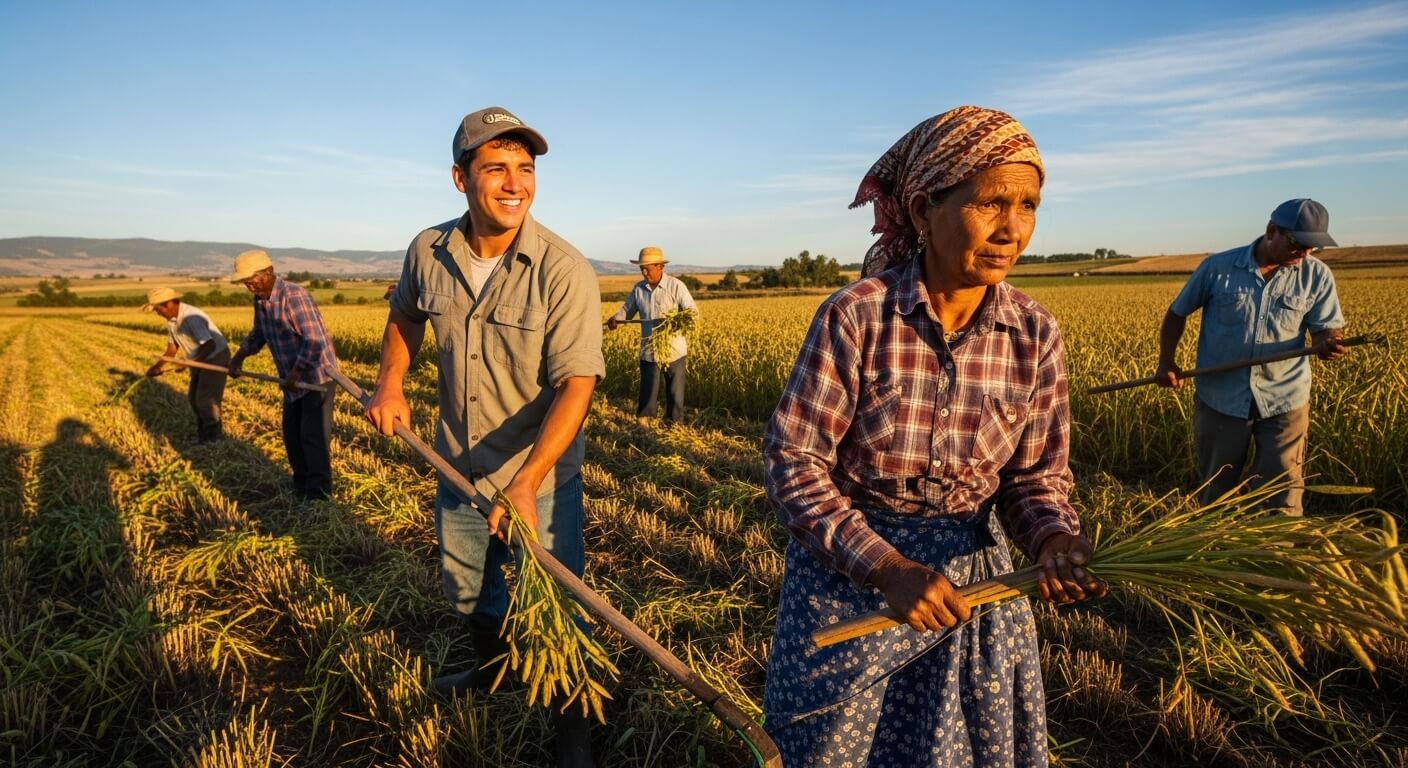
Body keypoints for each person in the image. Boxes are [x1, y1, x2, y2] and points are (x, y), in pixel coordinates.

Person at [761, 106, 1106, 767]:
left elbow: (1036, 479)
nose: (1013, 228)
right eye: (991, 203)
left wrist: (1054, 538)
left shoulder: (1034, 334)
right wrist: (887, 568)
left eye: (1029, 205)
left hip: (972, 593)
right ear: (923, 210)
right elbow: (794, 464)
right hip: (851, 587)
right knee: (832, 751)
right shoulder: (858, 316)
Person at [364, 106, 602, 767]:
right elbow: (404, 318)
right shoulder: (427, 251)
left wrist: (525, 483)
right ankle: (495, 671)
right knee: (470, 592)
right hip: (458, 468)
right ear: (459, 178)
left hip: (539, 479)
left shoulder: (562, 268)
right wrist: (390, 384)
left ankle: (575, 724)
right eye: (495, 167)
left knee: (558, 606)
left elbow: (576, 385)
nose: (514, 183)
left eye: (525, 169)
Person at [1155, 199, 1346, 515]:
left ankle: (1274, 555)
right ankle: (1212, 553)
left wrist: (1330, 343)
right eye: (1300, 245)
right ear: (1272, 231)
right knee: (1215, 490)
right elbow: (1177, 314)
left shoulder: (1317, 276)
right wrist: (1166, 362)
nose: (1306, 255)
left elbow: (1327, 329)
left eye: (1315, 248)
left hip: (1284, 399)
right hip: (1221, 398)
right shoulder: (1218, 269)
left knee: (1282, 489)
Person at [226, 249, 338, 501]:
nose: (248, 285)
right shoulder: (260, 300)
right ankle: (301, 487)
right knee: (292, 436)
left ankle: (319, 497)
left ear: (268, 272)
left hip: (316, 378)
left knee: (312, 437)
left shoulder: (294, 296)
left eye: (252, 279)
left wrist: (297, 371)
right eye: (245, 281)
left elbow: (314, 340)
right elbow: (259, 333)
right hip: (292, 380)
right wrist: (239, 357)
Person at [606, 246, 698, 422]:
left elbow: (692, 312)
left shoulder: (676, 286)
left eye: (647, 268)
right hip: (649, 348)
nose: (644, 272)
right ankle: (644, 421)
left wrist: (676, 320)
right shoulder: (639, 289)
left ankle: (674, 423)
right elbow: (627, 310)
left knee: (675, 391)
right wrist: (616, 319)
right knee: (648, 388)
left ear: (660, 266)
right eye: (642, 268)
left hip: (674, 349)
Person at [142, 287, 230, 443]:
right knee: (193, 399)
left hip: (215, 357)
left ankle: (212, 439)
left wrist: (188, 363)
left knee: (206, 400)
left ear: (168, 304)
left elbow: (209, 345)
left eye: (157, 309)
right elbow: (172, 349)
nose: (157, 313)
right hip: (198, 357)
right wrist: (157, 367)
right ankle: (204, 435)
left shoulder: (190, 317)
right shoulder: (171, 322)